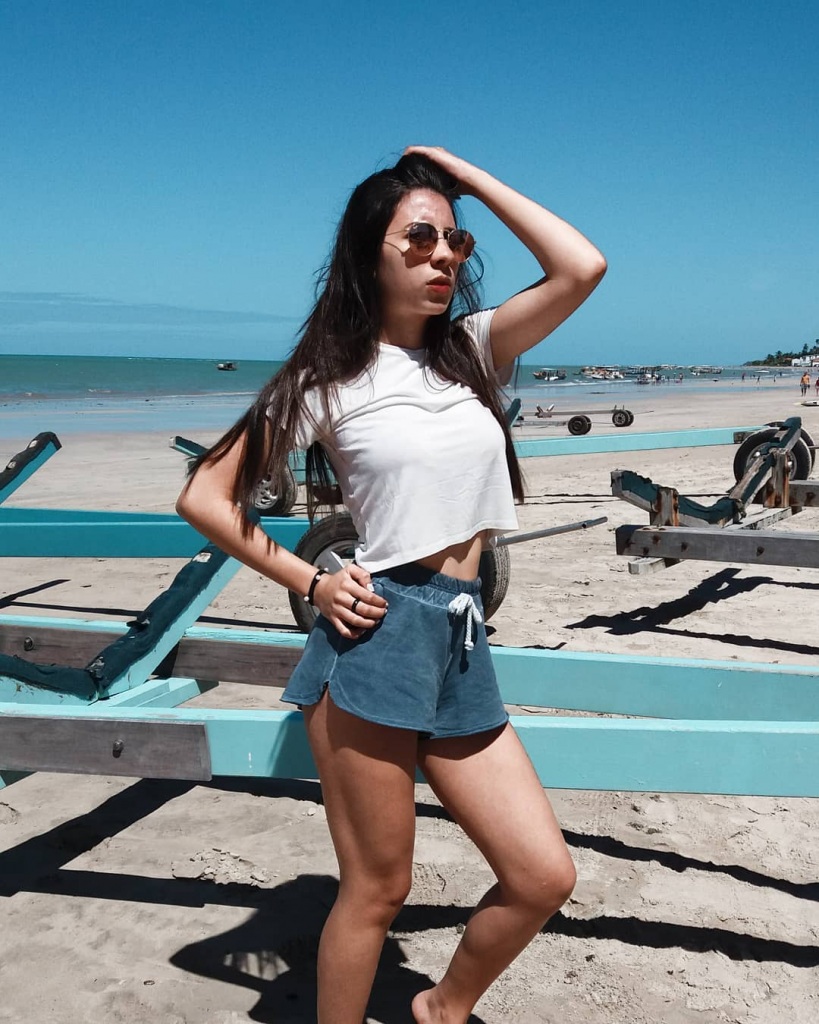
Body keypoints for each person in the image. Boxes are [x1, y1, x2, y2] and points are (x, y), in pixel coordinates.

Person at [176, 146, 606, 1024]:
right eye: (418, 237)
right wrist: (311, 579)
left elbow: (580, 267)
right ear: (368, 252)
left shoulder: (474, 350)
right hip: (375, 636)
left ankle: (439, 1009)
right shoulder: (323, 382)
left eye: (454, 240)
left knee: (540, 876)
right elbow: (204, 497)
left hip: (460, 634)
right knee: (377, 890)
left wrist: (462, 177)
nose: (442, 255)